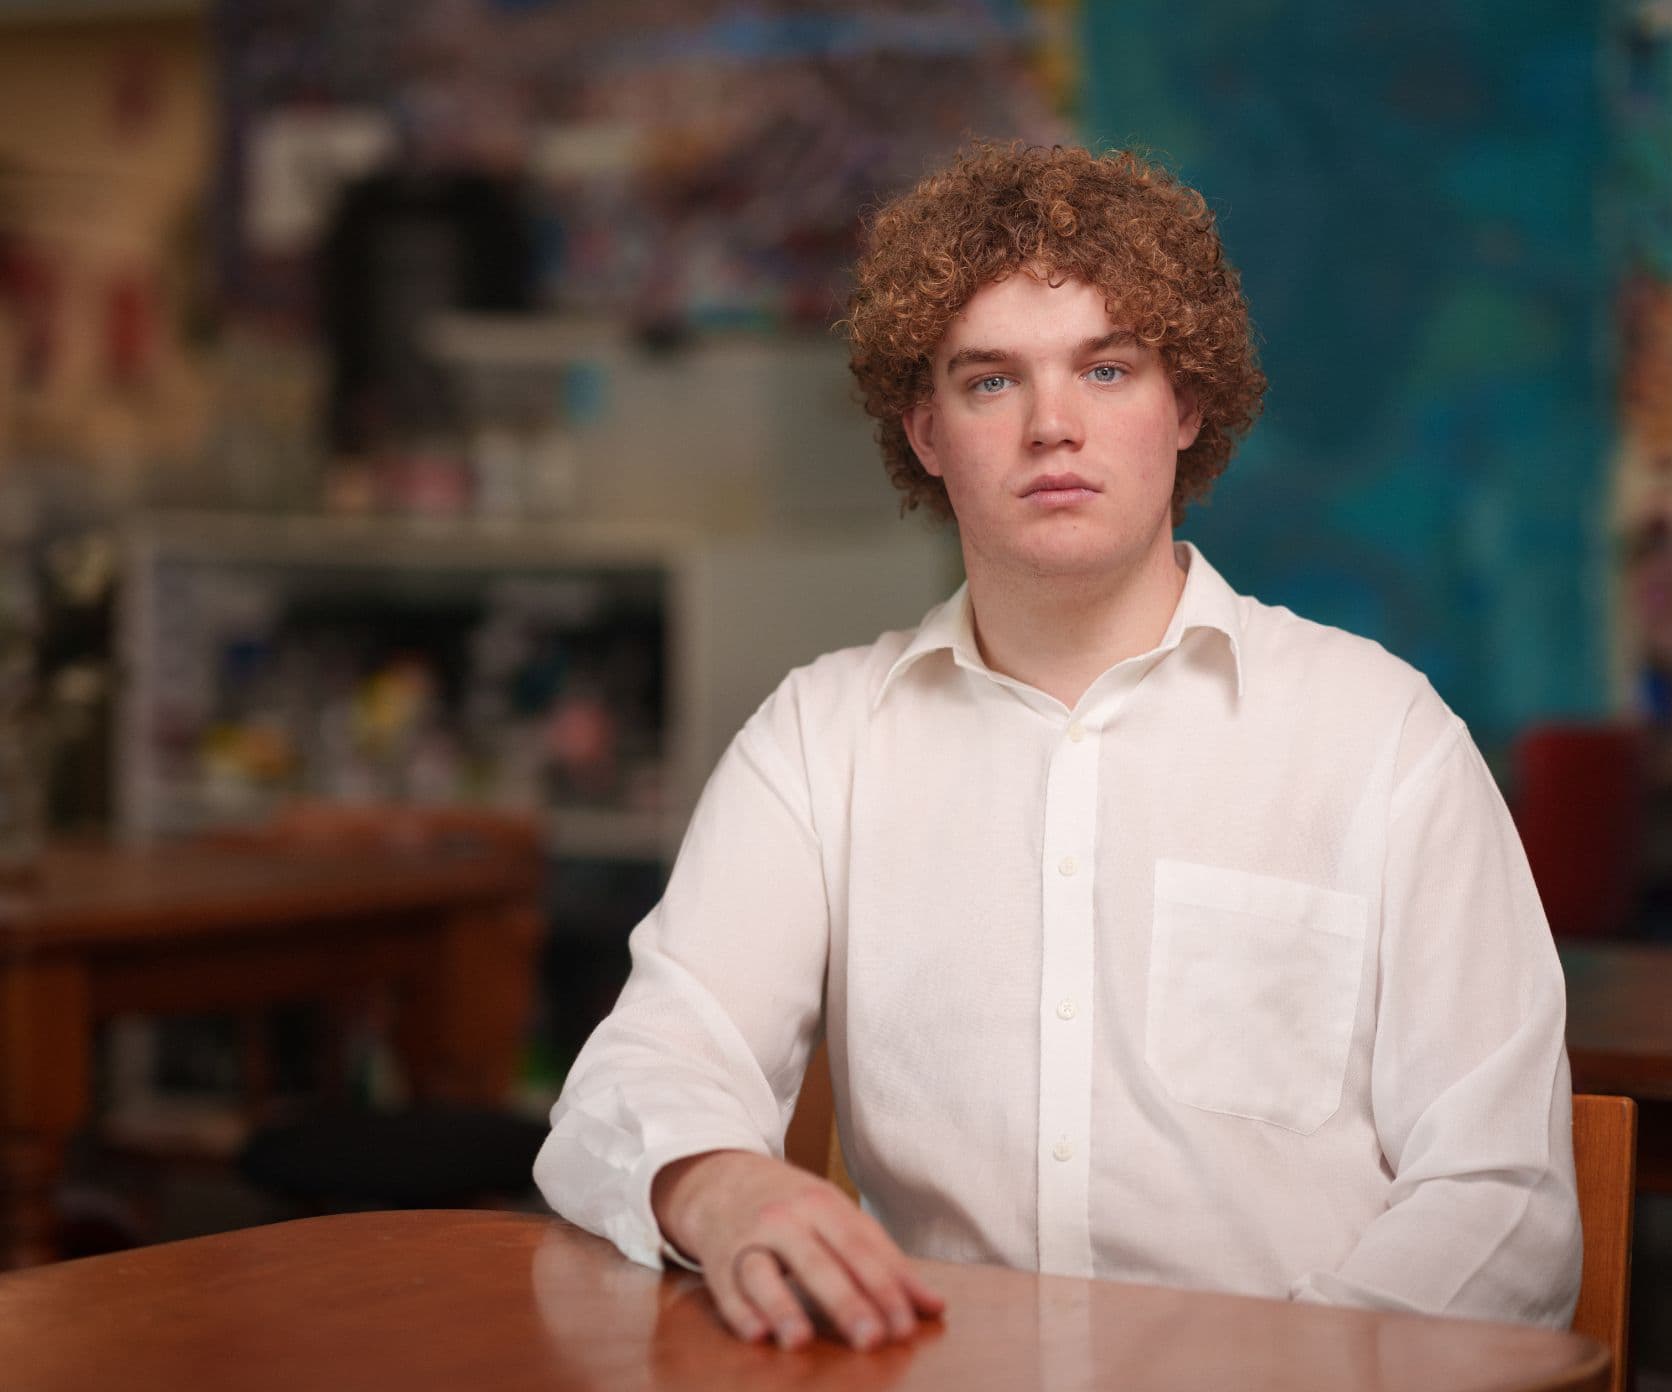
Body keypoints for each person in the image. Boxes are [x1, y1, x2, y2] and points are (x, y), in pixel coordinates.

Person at [533, 141, 1581, 1352]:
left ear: (1184, 405)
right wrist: (722, 1189)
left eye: (1105, 368)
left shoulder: (1380, 738)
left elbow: (1503, 1208)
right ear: (924, 429)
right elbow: (639, 1076)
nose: (1050, 427)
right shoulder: (821, 741)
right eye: (989, 382)